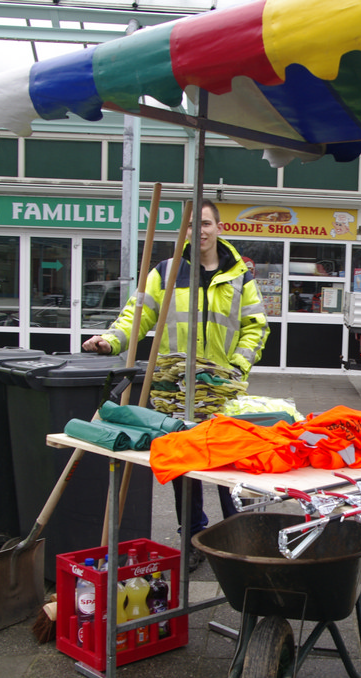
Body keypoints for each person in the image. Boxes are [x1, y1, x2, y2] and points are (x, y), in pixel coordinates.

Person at [83, 201, 268, 570]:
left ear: (218, 227)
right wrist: (111, 340)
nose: (199, 231)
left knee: (229, 465)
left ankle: (238, 537)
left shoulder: (239, 275)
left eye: (206, 223)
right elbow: (137, 315)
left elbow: (256, 326)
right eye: (192, 225)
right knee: (185, 468)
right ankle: (193, 538)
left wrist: (236, 367)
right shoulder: (166, 272)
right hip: (175, 392)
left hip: (221, 391)